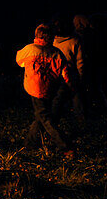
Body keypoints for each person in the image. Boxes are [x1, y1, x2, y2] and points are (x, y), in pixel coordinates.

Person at [16, 24, 75, 158]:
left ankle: (64, 146)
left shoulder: (30, 49)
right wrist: (71, 86)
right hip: (50, 89)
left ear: (37, 35)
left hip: (35, 88)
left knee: (45, 118)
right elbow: (65, 73)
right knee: (41, 116)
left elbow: (19, 61)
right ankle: (29, 144)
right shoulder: (57, 52)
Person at [73, 14, 107, 115]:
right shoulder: (88, 35)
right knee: (93, 88)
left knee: (92, 88)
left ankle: (89, 110)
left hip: (90, 65)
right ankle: (94, 109)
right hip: (90, 64)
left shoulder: (84, 36)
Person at [52, 19, 88, 127]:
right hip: (71, 75)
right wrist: (81, 77)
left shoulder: (52, 41)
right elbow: (80, 62)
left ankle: (53, 123)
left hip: (56, 75)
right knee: (77, 99)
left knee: (57, 101)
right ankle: (82, 124)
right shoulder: (75, 41)